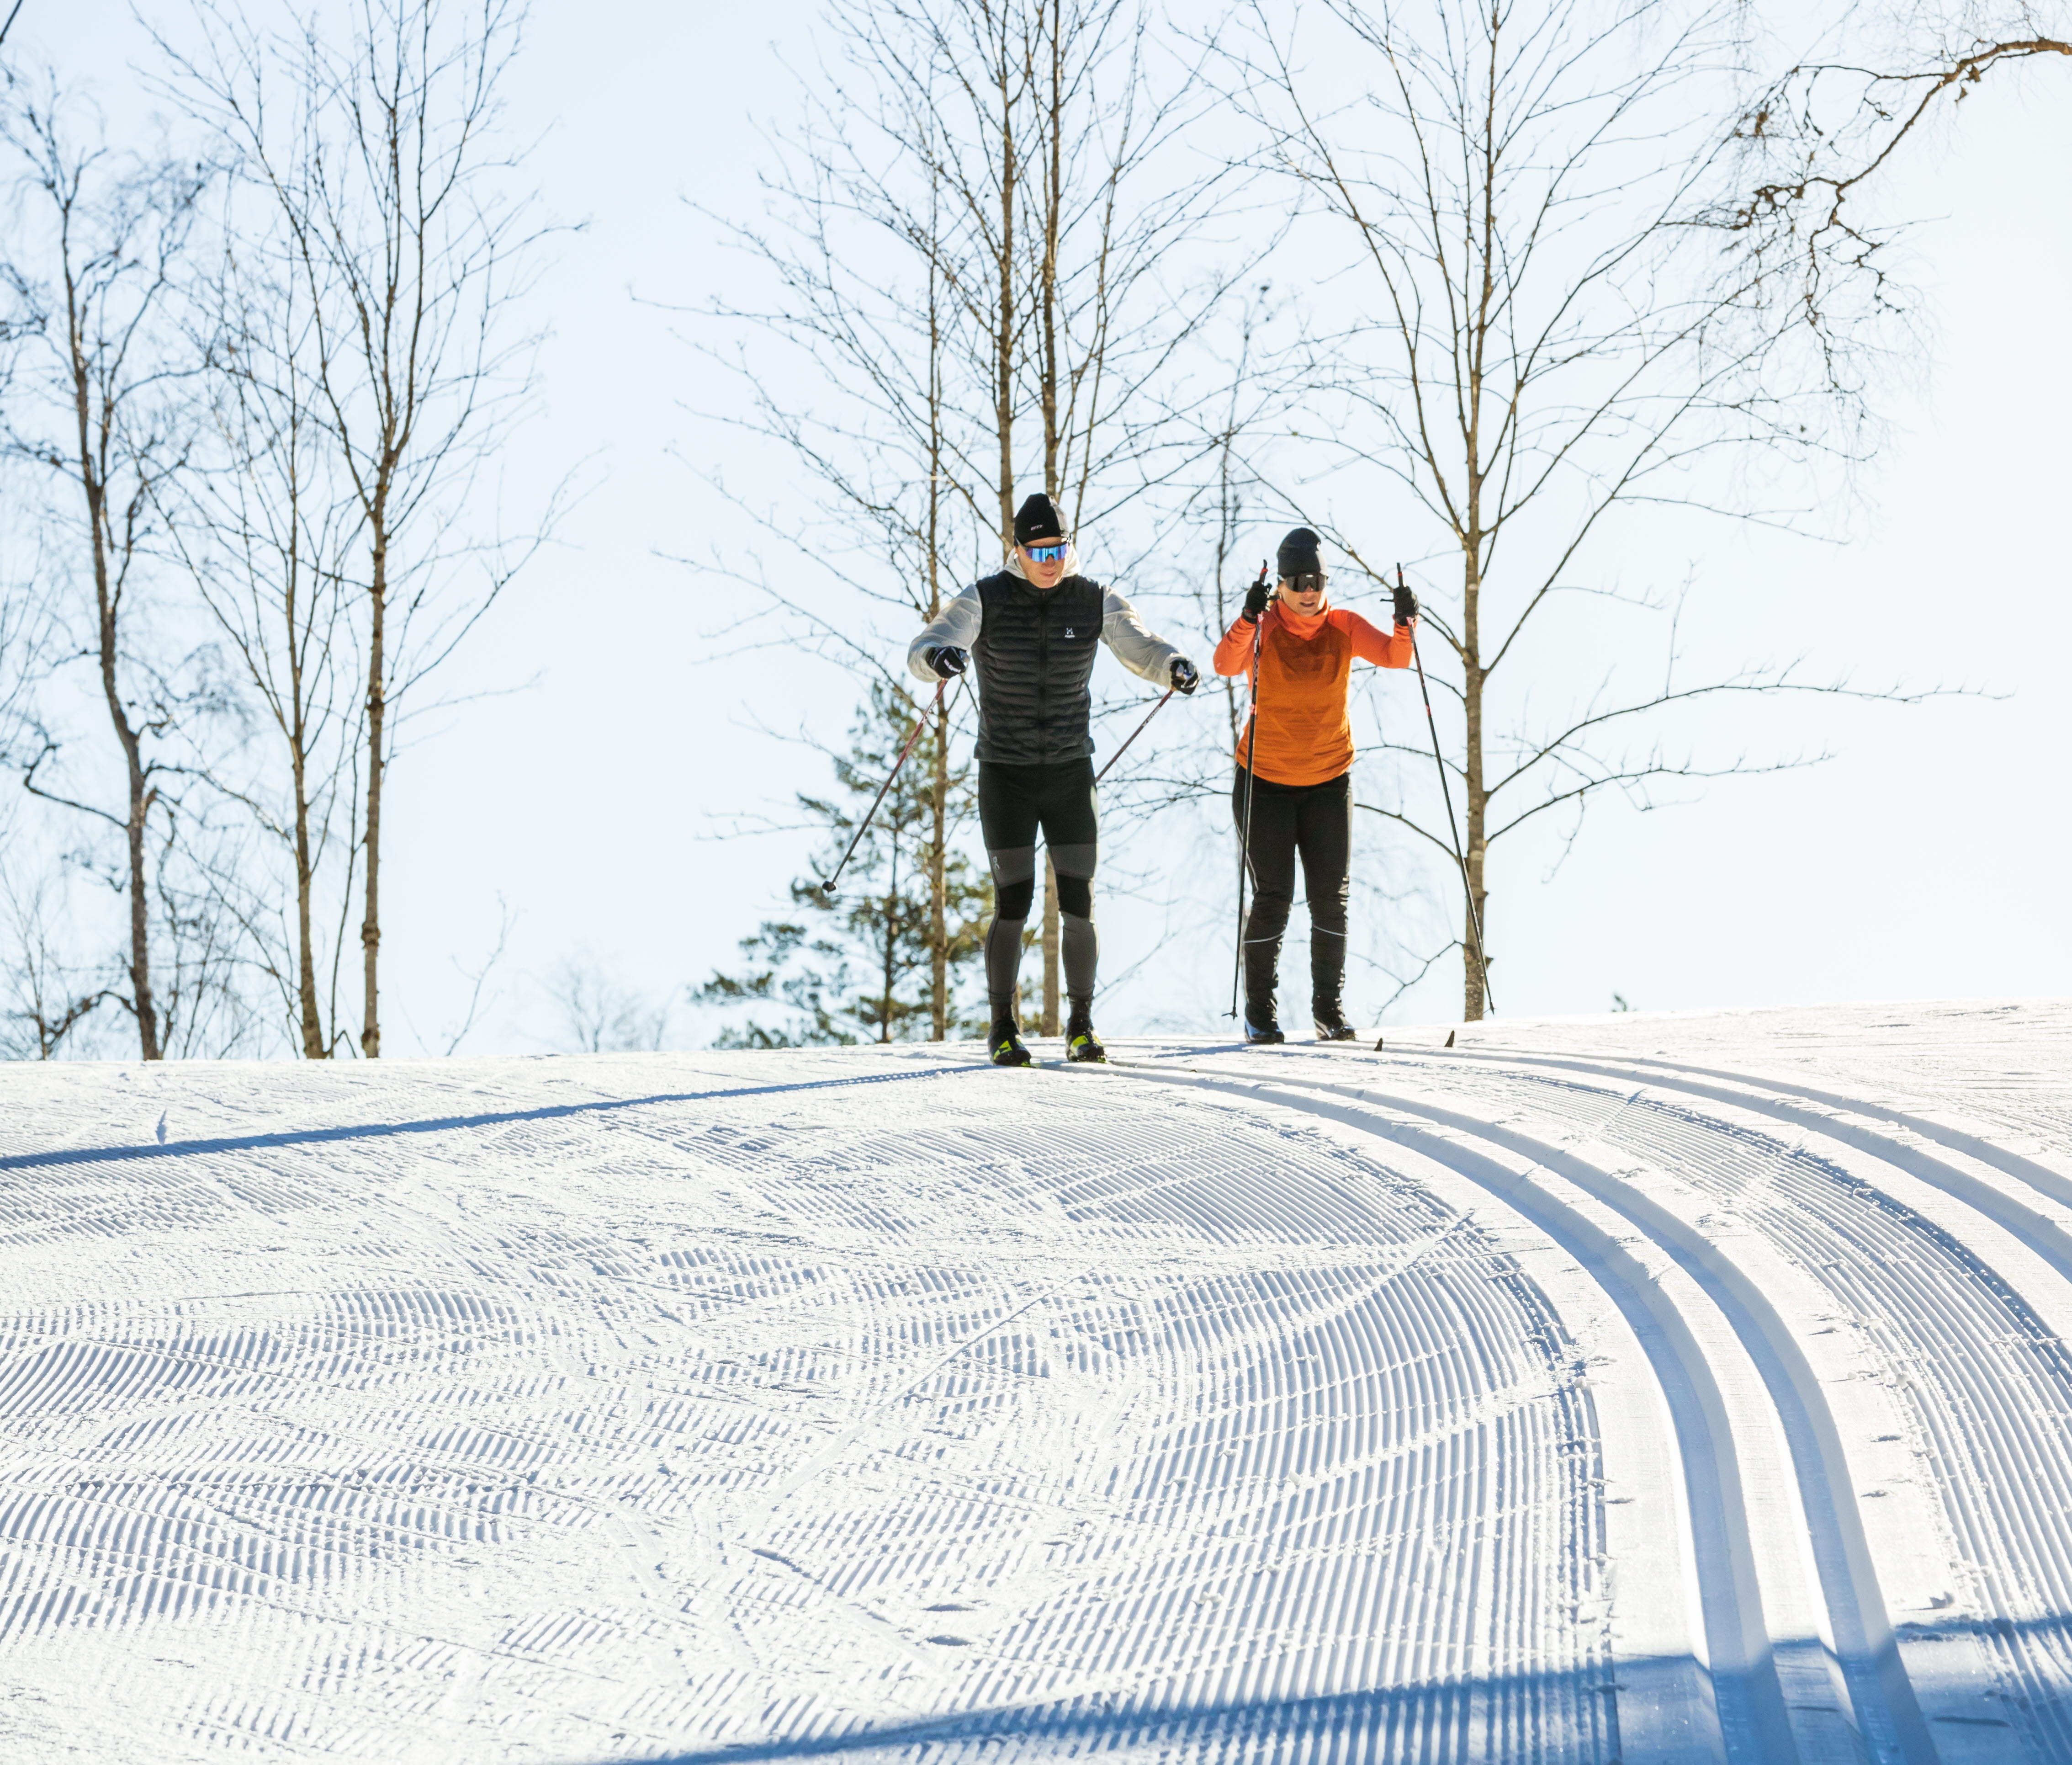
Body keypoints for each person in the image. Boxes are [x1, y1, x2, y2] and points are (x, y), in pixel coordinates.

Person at [908, 494, 1198, 1065]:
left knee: (1078, 903)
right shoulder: (985, 598)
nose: (1050, 559)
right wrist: (939, 657)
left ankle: (1082, 1026)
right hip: (1006, 773)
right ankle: (1002, 1029)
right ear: (1017, 549)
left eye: (1059, 548)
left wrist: (1173, 666)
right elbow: (926, 647)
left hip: (1069, 771)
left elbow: (1140, 647)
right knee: (1012, 902)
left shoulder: (1093, 599)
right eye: (1038, 549)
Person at [1213, 527, 1417, 1043]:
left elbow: (1396, 657)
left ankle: (1329, 1008)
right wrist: (1244, 619)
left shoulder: (1343, 625)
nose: (1309, 591)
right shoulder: (1260, 628)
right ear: (1279, 584)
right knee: (1273, 895)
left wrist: (1404, 621)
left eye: (1318, 580)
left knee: (1330, 897)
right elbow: (1224, 664)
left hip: (1328, 779)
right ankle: (1260, 1014)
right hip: (1263, 780)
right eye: (1299, 581)